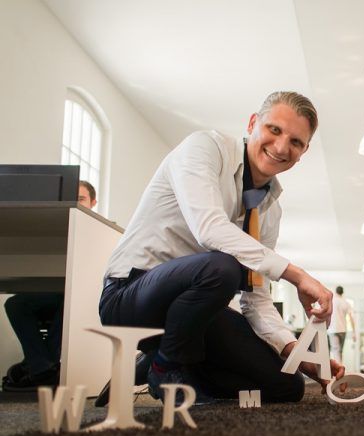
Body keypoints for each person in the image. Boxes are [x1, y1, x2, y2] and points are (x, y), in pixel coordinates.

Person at [98, 91, 344, 406]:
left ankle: (159, 363)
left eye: (296, 142)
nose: (282, 147)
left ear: (304, 151)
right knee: (221, 267)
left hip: (193, 317)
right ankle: (165, 367)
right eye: (275, 130)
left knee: (286, 387)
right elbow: (209, 228)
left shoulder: (269, 211)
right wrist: (297, 275)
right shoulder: (205, 148)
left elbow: (256, 299)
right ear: (253, 123)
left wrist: (299, 355)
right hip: (130, 297)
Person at [2, 180, 97, 391]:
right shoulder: (53, 228)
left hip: (83, 295)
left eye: (81, 199)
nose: (76, 203)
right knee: (15, 304)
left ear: (93, 202)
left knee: (69, 304)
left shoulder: (100, 230)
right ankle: (45, 368)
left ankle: (39, 369)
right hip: (55, 293)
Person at [327, 286, 357, 363]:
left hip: (333, 329)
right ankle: (340, 369)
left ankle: (338, 371)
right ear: (342, 293)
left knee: (335, 350)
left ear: (335, 292)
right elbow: (351, 318)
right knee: (340, 351)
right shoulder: (346, 303)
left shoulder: (332, 301)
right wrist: (354, 332)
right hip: (343, 330)